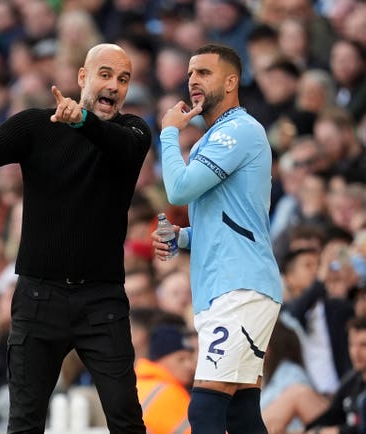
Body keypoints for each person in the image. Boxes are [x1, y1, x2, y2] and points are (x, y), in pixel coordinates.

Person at [0, 43, 152, 433]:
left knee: (125, 416)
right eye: (105, 74)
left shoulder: (133, 131)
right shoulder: (37, 124)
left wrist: (82, 120)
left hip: (101, 300)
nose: (115, 86)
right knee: (24, 420)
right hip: (39, 298)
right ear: (83, 78)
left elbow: (119, 148)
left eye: (123, 79)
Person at [153, 43, 283, 434]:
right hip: (227, 287)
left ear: (231, 81)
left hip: (239, 288)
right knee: (240, 412)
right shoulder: (217, 138)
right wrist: (183, 237)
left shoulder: (240, 130)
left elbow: (178, 191)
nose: (192, 80)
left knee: (206, 410)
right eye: (190, 73)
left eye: (204, 73)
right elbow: (226, 220)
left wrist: (168, 134)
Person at [135, 323, 195, 434]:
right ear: (160, 360)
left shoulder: (138, 384)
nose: (189, 365)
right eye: (181, 359)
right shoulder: (168, 392)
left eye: (190, 358)